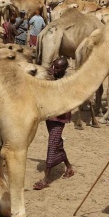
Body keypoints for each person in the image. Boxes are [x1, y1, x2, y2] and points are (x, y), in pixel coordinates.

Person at [34, 57, 74, 190]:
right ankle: (69, 168)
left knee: (52, 145)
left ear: (64, 69)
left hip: (59, 118)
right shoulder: (51, 75)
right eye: (53, 66)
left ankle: (46, 179)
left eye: (58, 68)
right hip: (50, 116)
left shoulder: (67, 83)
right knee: (57, 143)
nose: (54, 69)